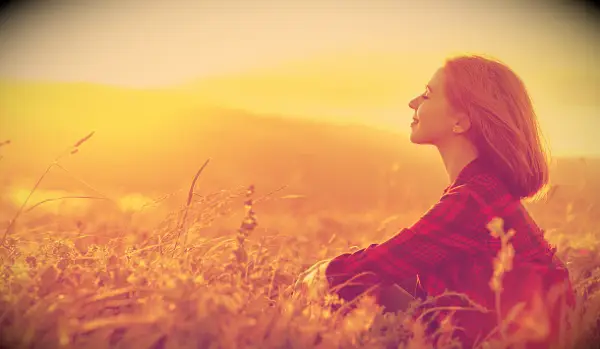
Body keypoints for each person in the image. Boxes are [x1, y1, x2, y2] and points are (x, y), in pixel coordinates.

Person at [294, 54, 576, 348]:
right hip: (498, 332)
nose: (413, 103)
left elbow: (375, 264)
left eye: (427, 94)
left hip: (501, 341)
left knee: (348, 284)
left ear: (460, 121)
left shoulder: (474, 199)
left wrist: (317, 275)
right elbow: (399, 262)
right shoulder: (483, 187)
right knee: (383, 278)